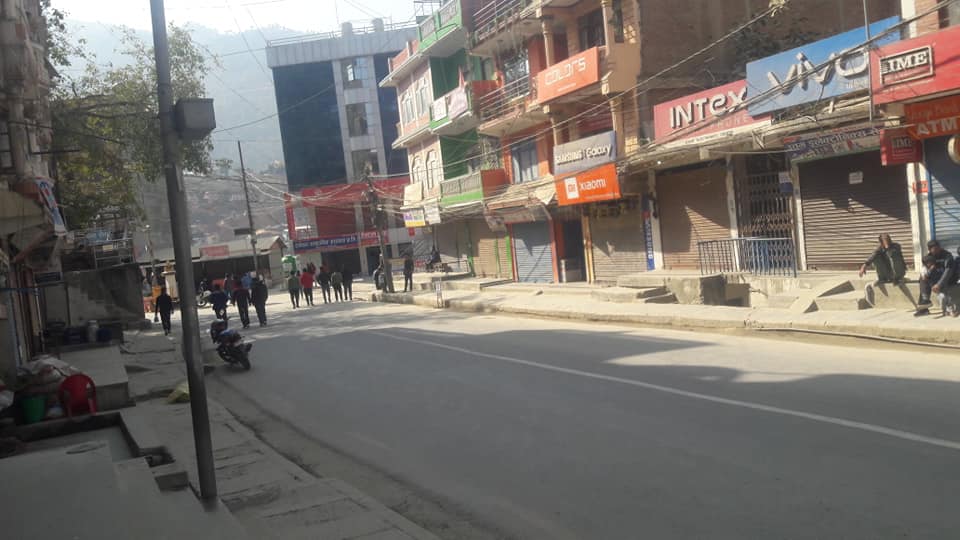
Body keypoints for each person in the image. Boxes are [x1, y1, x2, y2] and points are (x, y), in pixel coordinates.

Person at [916, 240, 958, 316]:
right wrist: (924, 274)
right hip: (937, 278)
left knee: (942, 292)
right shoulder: (929, 257)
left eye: (938, 248)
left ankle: (950, 309)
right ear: (929, 250)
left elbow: (948, 272)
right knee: (922, 279)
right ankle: (925, 304)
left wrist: (938, 284)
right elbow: (924, 267)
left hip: (949, 278)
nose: (937, 250)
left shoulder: (947, 256)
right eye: (934, 249)